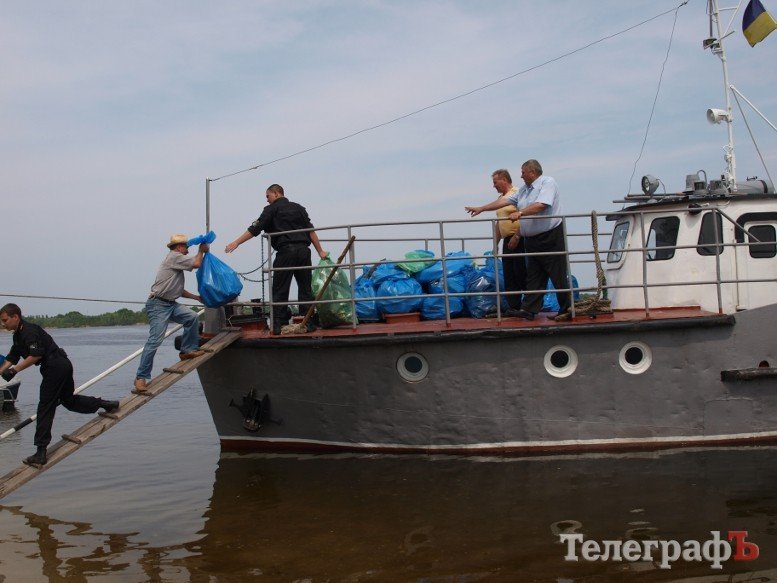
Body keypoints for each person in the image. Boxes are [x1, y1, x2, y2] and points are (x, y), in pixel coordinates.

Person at [0, 303, 120, 466]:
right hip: (60, 364)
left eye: (5, 320)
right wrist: (2, 371)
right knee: (68, 401)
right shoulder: (18, 335)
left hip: (55, 366)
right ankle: (106, 404)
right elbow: (12, 357)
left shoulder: (29, 331)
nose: (3, 324)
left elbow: (35, 355)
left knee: (45, 407)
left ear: (15, 317)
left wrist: (14, 371)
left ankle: (40, 452)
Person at [466, 159, 571, 321]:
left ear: (532, 172)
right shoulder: (523, 190)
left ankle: (566, 309)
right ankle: (529, 309)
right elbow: (504, 201)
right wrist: (482, 208)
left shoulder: (547, 182)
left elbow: (542, 204)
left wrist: (521, 213)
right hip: (533, 239)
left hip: (550, 236)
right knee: (535, 276)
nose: (521, 176)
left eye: (523, 172)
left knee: (557, 274)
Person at [225, 184, 328, 335]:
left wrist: (236, 242)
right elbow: (310, 231)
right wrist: (320, 251)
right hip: (304, 252)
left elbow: (255, 228)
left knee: (280, 288)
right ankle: (309, 322)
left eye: (268, 196)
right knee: (305, 287)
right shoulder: (299, 208)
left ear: (276, 193)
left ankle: (278, 324)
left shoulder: (271, 210)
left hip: (286, 251)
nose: (267, 200)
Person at [134, 235, 209, 393]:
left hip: (170, 303)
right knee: (155, 340)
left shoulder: (176, 262)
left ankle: (187, 350)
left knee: (192, 317)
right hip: (158, 304)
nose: (187, 250)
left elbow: (178, 290)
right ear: (179, 247)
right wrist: (201, 250)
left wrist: (196, 298)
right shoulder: (175, 257)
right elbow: (197, 263)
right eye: (186, 247)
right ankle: (141, 377)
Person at [490, 169, 527, 310]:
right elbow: (499, 222)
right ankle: (514, 306)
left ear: (504, 179)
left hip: (519, 237)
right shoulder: (501, 199)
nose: (494, 186)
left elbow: (525, 215)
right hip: (507, 239)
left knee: (521, 271)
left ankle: (528, 303)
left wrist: (518, 235)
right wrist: (496, 244)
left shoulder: (517, 193)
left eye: (495, 182)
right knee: (509, 274)